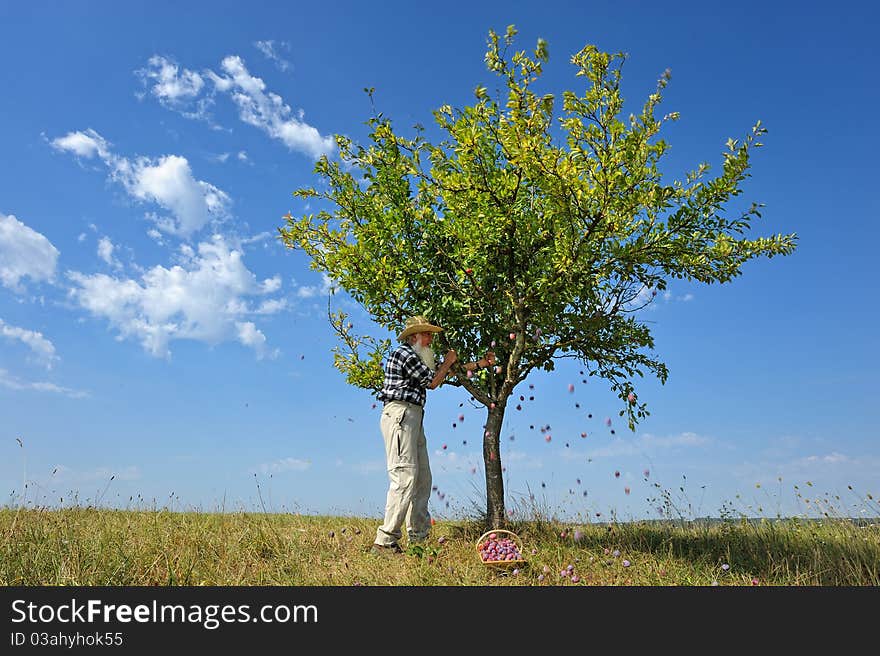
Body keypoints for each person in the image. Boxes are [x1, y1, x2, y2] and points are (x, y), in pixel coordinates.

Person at [371, 315, 495, 555]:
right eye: (427, 334)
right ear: (414, 336)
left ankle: (418, 537)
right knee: (404, 477)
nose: (430, 339)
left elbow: (447, 370)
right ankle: (384, 542)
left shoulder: (418, 357)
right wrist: (448, 361)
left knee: (422, 479)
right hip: (400, 416)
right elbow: (433, 381)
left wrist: (482, 364)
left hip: (413, 416)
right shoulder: (403, 354)